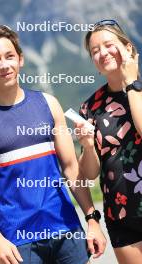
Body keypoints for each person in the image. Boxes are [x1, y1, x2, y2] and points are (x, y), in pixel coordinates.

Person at [0, 25, 106, 264]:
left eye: (10, 56)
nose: (4, 65)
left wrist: (92, 218)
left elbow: (71, 167)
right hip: (17, 242)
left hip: (66, 231)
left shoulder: (49, 104)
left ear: (20, 59)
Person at [76, 19, 142, 264]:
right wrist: (87, 145)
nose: (102, 53)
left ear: (128, 48)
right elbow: (90, 174)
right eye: (95, 51)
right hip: (120, 214)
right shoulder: (90, 107)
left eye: (108, 45)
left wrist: (132, 83)